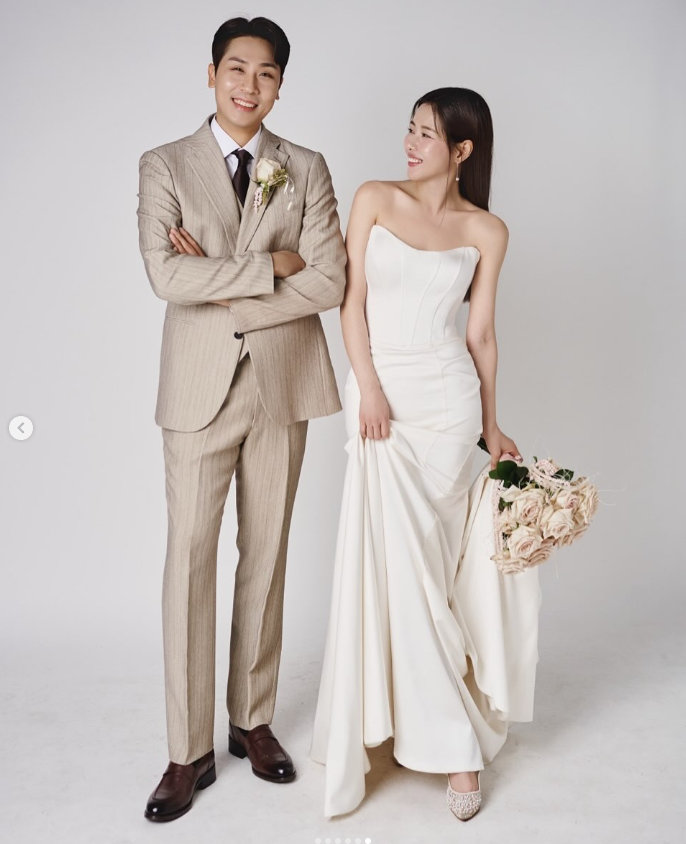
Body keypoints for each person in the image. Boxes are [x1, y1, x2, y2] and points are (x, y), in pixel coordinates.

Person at [311, 88, 541, 821]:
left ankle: (431, 726)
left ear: (462, 150)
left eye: (427, 134)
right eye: (409, 129)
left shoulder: (488, 230)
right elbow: (350, 303)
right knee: (399, 569)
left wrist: (491, 425)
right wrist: (368, 388)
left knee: (430, 573)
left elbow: (481, 335)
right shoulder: (374, 198)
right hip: (382, 399)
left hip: (448, 407)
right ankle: (453, 749)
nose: (410, 144)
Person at [137, 16, 346, 822]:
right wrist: (269, 267)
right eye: (236, 68)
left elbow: (329, 281)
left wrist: (222, 282)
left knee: (267, 553)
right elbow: (165, 276)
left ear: (280, 85)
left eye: (265, 73)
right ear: (212, 74)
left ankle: (251, 721)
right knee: (189, 558)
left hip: (282, 385)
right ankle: (186, 750)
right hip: (197, 390)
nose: (248, 85)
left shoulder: (306, 166)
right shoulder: (165, 164)